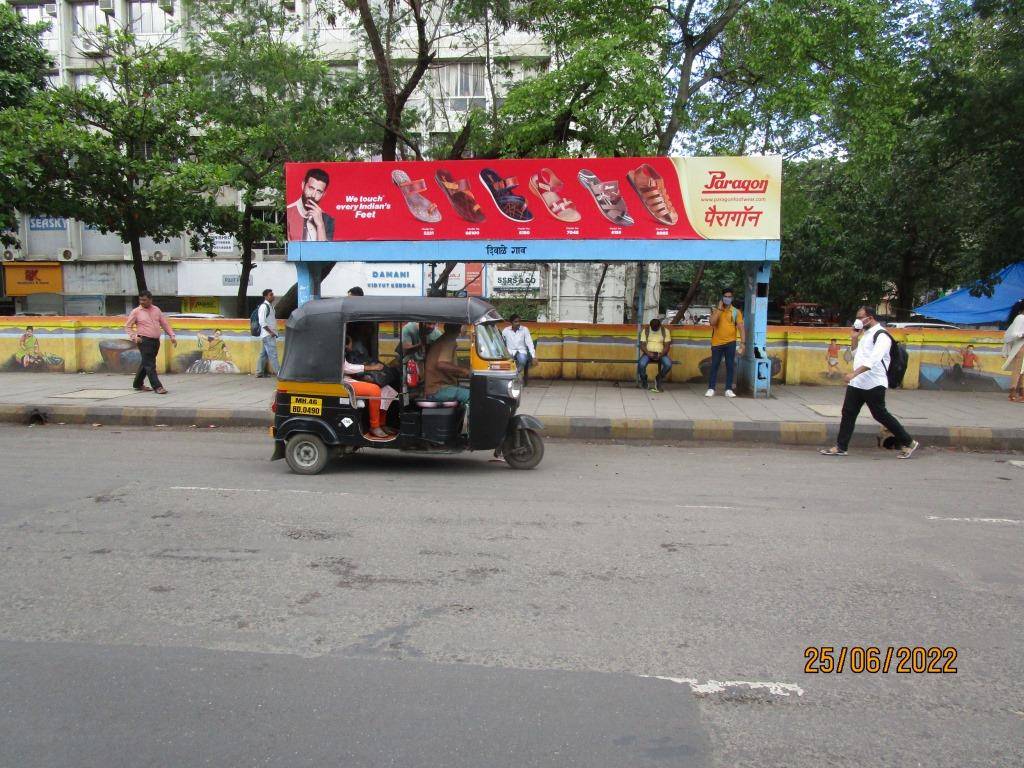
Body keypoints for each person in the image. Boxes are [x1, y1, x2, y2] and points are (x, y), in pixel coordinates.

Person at [819, 306, 919, 458]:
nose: (858, 321)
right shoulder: (866, 334)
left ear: (870, 317)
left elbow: (873, 361)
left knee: (880, 415)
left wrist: (853, 373)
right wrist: (854, 337)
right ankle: (841, 446)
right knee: (848, 413)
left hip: (874, 383)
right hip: (858, 383)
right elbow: (855, 355)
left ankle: (909, 442)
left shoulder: (882, 336)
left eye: (860, 318)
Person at [343, 336, 396, 439]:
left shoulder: (346, 351)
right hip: (341, 381)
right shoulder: (337, 349)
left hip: (350, 377)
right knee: (374, 390)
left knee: (388, 390)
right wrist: (370, 367)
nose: (351, 347)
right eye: (350, 344)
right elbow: (346, 368)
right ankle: (374, 426)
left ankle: (382, 423)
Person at [125, 290, 176, 394]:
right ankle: (157, 386)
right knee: (150, 364)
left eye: (144, 300)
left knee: (146, 362)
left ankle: (137, 383)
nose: (142, 302)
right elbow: (127, 326)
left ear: (150, 300)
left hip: (155, 341)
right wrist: (134, 337)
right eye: (140, 300)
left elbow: (164, 324)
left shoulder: (156, 310)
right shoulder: (136, 312)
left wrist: (172, 335)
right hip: (144, 340)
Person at [706, 287, 745, 397]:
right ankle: (711, 388)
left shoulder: (736, 312)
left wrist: (743, 343)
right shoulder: (716, 310)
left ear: (732, 298)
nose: (727, 299)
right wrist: (719, 309)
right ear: (722, 298)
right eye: (725, 297)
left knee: (730, 365)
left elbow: (741, 327)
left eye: (729, 297)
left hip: (730, 343)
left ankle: (728, 389)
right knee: (714, 366)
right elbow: (712, 323)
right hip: (716, 343)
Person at [424, 324, 471, 409]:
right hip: (437, 390)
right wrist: (464, 370)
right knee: (473, 396)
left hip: (438, 388)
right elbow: (441, 364)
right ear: (459, 328)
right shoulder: (449, 341)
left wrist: (463, 373)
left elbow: (447, 368)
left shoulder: (444, 339)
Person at [286, 168, 335, 241]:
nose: (313, 195)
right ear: (303, 185)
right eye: (311, 188)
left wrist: (320, 225)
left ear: (323, 194)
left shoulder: (328, 220)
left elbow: (325, 251)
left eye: (319, 191)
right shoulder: (288, 212)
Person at [637, 317, 672, 392]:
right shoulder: (646, 331)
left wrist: (661, 355)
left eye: (655, 328)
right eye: (652, 327)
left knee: (668, 364)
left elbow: (667, 346)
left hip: (661, 353)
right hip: (648, 353)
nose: (654, 329)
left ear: (659, 326)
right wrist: (648, 353)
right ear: (650, 326)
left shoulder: (665, 331)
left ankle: (659, 378)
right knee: (641, 364)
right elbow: (642, 345)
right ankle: (644, 380)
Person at [501, 314, 537, 384]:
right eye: (515, 322)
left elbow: (529, 343)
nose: (518, 323)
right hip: (509, 351)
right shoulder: (506, 330)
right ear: (511, 323)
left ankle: (515, 375)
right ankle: (516, 376)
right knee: (507, 361)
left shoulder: (525, 329)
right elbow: (501, 341)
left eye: (519, 321)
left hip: (521, 351)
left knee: (523, 360)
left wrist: (533, 356)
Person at [1001, 299, 1024, 401]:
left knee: (1022, 370)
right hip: (1020, 347)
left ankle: (1022, 393)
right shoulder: (1020, 318)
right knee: (1017, 370)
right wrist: (1022, 335)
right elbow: (1014, 334)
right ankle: (1013, 392)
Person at [255, 289, 279, 378]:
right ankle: (279, 373)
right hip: (268, 335)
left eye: (272, 294)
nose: (273, 296)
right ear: (265, 296)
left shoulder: (270, 307)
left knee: (263, 354)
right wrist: (271, 332)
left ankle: (259, 372)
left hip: (268, 334)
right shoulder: (264, 307)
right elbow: (262, 322)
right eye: (270, 295)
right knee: (273, 354)